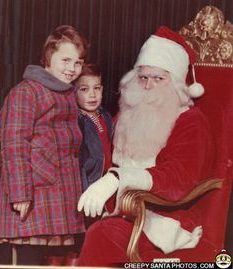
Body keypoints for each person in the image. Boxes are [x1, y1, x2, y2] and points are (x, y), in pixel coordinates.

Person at [76, 26, 215, 266]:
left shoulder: (191, 120)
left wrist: (117, 179)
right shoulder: (127, 114)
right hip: (122, 210)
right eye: (143, 77)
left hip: (163, 218)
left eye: (158, 78)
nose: (148, 85)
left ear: (176, 82)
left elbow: (179, 179)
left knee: (101, 236)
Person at [0, 25, 88, 265]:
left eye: (78, 62)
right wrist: (20, 194)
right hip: (32, 200)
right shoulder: (26, 92)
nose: (72, 68)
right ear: (48, 57)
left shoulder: (66, 94)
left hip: (58, 200)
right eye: (66, 60)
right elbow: (13, 144)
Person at [75, 63, 113, 227]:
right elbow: (79, 163)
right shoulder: (77, 121)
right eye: (84, 89)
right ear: (73, 91)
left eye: (96, 88)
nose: (92, 95)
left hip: (107, 184)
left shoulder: (105, 116)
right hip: (88, 185)